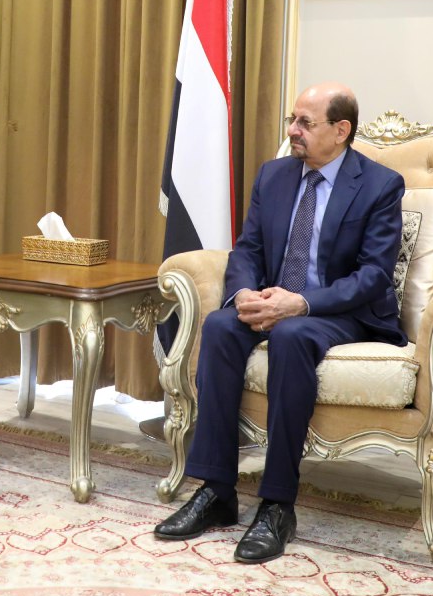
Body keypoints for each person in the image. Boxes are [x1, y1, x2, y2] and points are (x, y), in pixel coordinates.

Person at [153, 82, 405, 564]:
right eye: (292, 119)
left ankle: (276, 505)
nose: (292, 130)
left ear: (341, 130)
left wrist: (301, 303)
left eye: (305, 123)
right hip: (272, 301)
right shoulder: (274, 176)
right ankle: (217, 491)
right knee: (221, 326)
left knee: (291, 334)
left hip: (337, 312)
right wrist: (245, 293)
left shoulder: (380, 185)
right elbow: (247, 249)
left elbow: (373, 276)